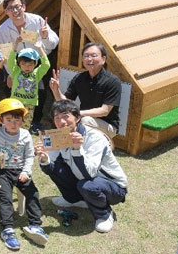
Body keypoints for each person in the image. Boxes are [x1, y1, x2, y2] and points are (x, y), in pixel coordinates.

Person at [37, 99, 128, 233]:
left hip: (113, 186)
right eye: (57, 118)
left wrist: (76, 149)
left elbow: (88, 174)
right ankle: (75, 200)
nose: (61, 122)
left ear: (78, 118)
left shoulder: (95, 138)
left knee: (87, 185)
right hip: (84, 178)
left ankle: (103, 214)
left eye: (66, 116)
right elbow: (51, 168)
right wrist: (44, 158)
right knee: (56, 168)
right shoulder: (59, 136)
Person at [0, 98, 46, 251]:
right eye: (9, 119)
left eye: (17, 118)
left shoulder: (25, 135)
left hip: (19, 170)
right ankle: (8, 229)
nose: (13, 123)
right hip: (1, 169)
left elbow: (30, 156)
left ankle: (35, 225)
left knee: (32, 193)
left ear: (22, 119)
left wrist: (26, 172)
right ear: (1, 120)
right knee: (5, 197)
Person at [0, 0, 59, 130]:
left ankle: (39, 120)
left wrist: (45, 36)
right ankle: (18, 118)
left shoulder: (37, 21)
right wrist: (11, 74)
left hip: (40, 59)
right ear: (6, 12)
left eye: (17, 6)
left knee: (43, 89)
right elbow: (4, 53)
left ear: (24, 6)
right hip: (18, 62)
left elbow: (53, 44)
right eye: (10, 8)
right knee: (16, 89)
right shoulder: (4, 28)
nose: (15, 11)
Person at [49, 42, 120, 139]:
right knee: (63, 116)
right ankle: (65, 145)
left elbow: (105, 111)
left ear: (103, 59)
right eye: (86, 56)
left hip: (108, 125)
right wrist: (56, 90)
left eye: (93, 55)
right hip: (84, 118)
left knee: (84, 121)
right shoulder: (79, 78)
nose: (89, 59)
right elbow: (65, 104)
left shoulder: (112, 81)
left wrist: (77, 114)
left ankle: (83, 146)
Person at [7, 40, 50, 129]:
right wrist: (15, 45)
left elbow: (46, 65)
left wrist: (40, 48)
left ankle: (23, 139)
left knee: (25, 125)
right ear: (19, 64)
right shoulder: (16, 71)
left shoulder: (36, 73)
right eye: (23, 64)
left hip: (30, 104)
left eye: (30, 64)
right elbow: (10, 61)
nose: (27, 67)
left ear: (35, 64)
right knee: (13, 122)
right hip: (16, 102)